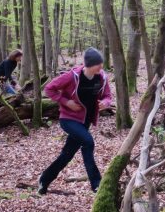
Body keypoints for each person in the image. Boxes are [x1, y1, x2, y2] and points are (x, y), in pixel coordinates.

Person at [38, 47, 112, 194]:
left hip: (85, 121)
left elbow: (107, 95)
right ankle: (97, 184)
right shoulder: (72, 76)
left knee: (67, 154)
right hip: (69, 119)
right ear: (89, 64)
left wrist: (105, 102)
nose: (101, 66)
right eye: (98, 64)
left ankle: (44, 179)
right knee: (88, 143)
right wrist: (66, 102)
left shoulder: (102, 77)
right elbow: (49, 89)